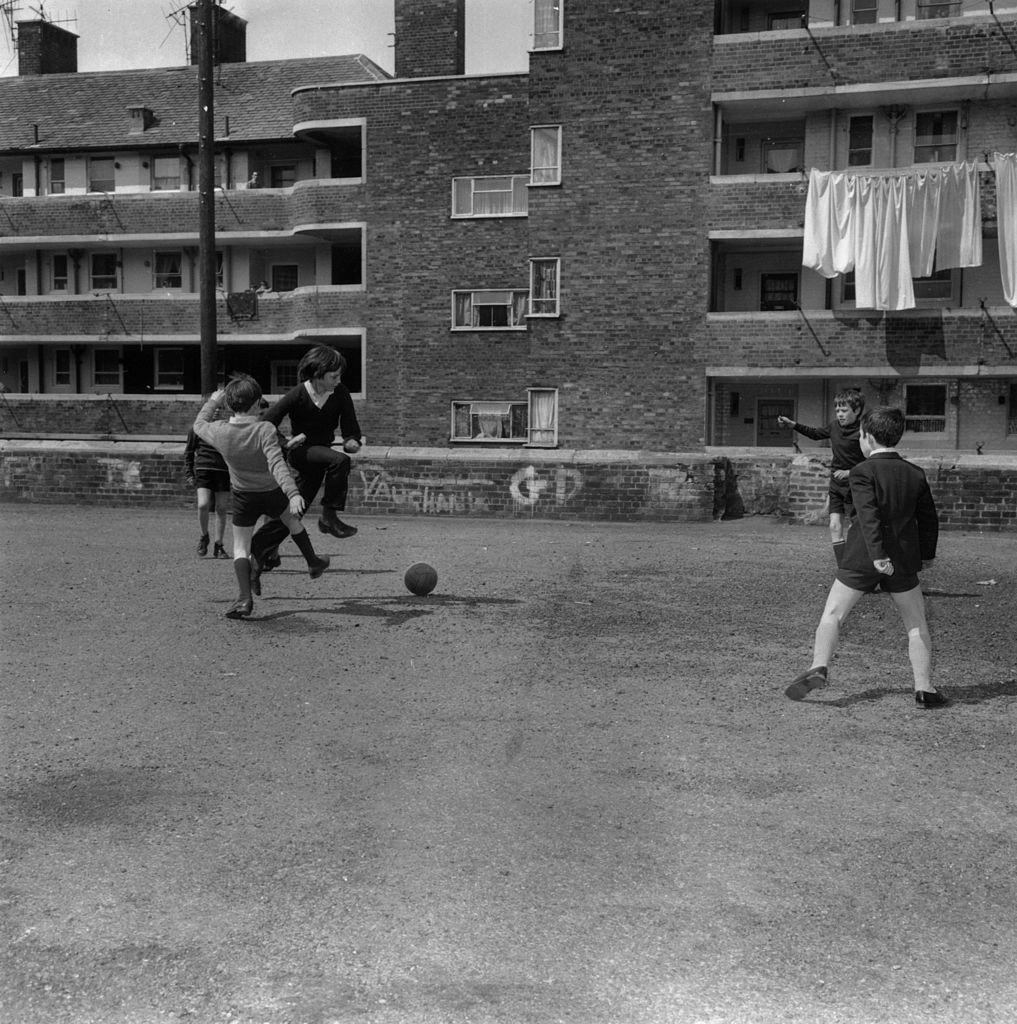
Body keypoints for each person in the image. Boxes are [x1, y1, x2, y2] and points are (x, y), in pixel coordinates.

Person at [784, 406, 945, 708]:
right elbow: (929, 520)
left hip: (862, 556)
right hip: (901, 559)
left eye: (860, 436)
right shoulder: (915, 473)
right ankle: (924, 688)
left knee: (833, 615)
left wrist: (876, 555)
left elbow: (868, 516)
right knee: (916, 624)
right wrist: (926, 555)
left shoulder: (861, 472)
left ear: (867, 437)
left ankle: (819, 666)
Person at [193, 373, 329, 620]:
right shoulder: (264, 429)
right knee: (292, 522)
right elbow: (277, 463)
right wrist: (293, 492)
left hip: (243, 496)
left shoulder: (220, 431)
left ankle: (244, 599)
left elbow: (199, 424)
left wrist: (213, 401)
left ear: (228, 405)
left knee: (241, 548)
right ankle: (313, 562)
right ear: (257, 403)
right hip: (271, 491)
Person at [250, 344, 362, 579]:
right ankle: (329, 518)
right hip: (302, 453)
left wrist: (352, 441)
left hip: (321, 456)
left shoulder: (340, 393)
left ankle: (259, 555)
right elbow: (266, 424)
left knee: (294, 514)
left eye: (339, 375)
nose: (338, 380)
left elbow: (351, 428)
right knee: (340, 461)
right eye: (333, 376)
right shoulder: (298, 394)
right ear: (317, 374)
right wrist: (284, 443)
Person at [777, 388, 865, 566]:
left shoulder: (865, 431)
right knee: (834, 526)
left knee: (859, 528)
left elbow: (873, 460)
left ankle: (863, 566)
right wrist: (793, 424)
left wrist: (851, 472)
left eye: (844, 410)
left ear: (857, 410)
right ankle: (844, 568)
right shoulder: (834, 426)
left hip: (858, 484)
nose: (840, 414)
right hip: (837, 484)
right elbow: (816, 433)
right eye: (837, 410)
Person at [184, 424, 230, 558]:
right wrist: (189, 473)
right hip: (203, 470)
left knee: (221, 508)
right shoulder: (196, 428)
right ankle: (204, 536)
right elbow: (189, 451)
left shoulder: (227, 428)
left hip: (223, 471)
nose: (216, 410)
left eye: (219, 407)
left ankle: (219, 544)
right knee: (202, 505)